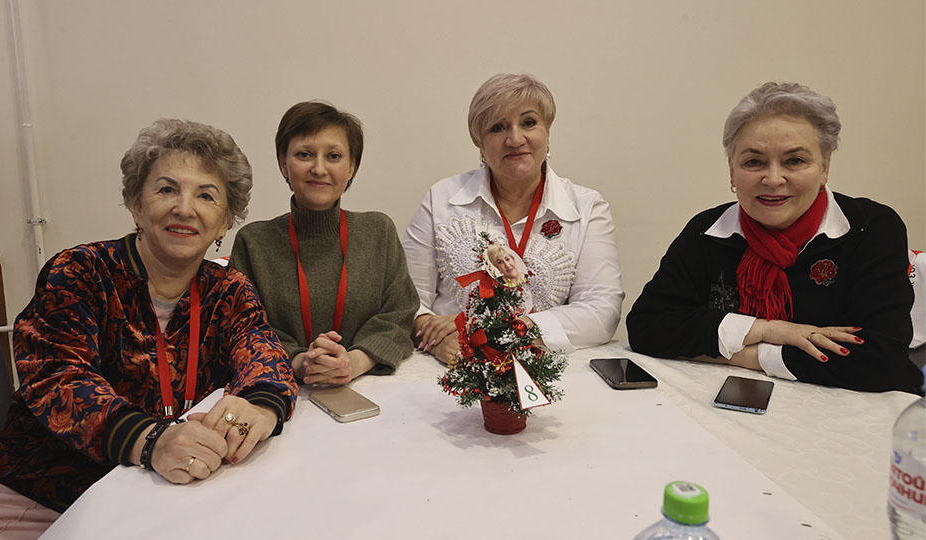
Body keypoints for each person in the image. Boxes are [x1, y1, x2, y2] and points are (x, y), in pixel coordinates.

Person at [0, 119, 298, 538]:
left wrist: (260, 406)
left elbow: (264, 353)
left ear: (224, 222)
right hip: (40, 499)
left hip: (161, 496)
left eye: (206, 195)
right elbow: (59, 380)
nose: (185, 208)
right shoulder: (81, 272)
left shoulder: (229, 289)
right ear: (136, 206)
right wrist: (151, 439)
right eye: (167, 190)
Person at [626, 82, 923, 394]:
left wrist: (748, 354)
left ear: (824, 167)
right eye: (753, 162)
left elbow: (879, 361)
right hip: (726, 404)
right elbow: (648, 328)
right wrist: (770, 330)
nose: (773, 179)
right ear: (732, 170)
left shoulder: (871, 228)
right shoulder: (707, 230)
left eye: (795, 161)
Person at [402, 73, 624, 363]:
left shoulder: (587, 207)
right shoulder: (441, 198)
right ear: (480, 144)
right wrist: (433, 337)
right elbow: (406, 302)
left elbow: (601, 312)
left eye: (529, 123)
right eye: (498, 127)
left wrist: (487, 333)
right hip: (451, 367)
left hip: (547, 371)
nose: (515, 139)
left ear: (547, 132)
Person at [229, 101, 418, 385]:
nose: (319, 168)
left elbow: (400, 315)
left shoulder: (379, 232)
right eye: (304, 154)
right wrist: (300, 362)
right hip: (281, 387)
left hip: (372, 386)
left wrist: (352, 363)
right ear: (283, 164)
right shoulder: (254, 242)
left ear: (351, 167)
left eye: (333, 156)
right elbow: (245, 328)